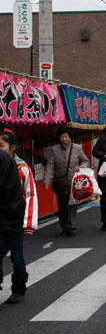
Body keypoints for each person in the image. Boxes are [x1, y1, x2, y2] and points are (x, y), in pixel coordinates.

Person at [0, 127, 37, 303]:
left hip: (16, 219)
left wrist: (27, 221)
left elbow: (30, 195)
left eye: (2, 145)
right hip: (3, 217)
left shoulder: (22, 168)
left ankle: (19, 287)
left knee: (16, 256)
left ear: (12, 147)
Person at [44, 126, 89, 236]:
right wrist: (46, 181)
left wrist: (81, 167)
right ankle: (65, 226)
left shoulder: (77, 148)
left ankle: (71, 225)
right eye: (62, 137)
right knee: (63, 206)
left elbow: (85, 160)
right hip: (61, 182)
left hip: (74, 182)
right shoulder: (54, 150)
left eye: (66, 136)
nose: (64, 139)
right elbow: (50, 165)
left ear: (69, 137)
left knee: (73, 205)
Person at [0, 149, 25, 293]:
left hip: (11, 225)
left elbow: (14, 205)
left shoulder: (5, 162)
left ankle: (19, 286)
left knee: (16, 257)